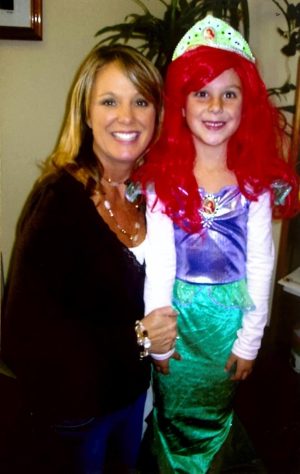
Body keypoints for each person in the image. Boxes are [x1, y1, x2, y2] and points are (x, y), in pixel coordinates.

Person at [1, 44, 178, 474]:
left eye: (140, 101)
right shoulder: (59, 202)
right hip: (78, 414)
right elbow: (19, 336)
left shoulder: (149, 194)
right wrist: (138, 337)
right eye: (109, 101)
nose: (127, 116)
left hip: (133, 396)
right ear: (85, 113)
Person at [135, 15, 299, 473]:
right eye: (201, 92)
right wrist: (160, 342)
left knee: (214, 409)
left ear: (246, 105)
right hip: (179, 322)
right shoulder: (162, 182)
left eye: (229, 93)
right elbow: (161, 265)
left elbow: (262, 264)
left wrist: (250, 341)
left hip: (228, 324)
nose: (215, 105)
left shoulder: (254, 183)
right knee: (176, 410)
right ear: (181, 105)